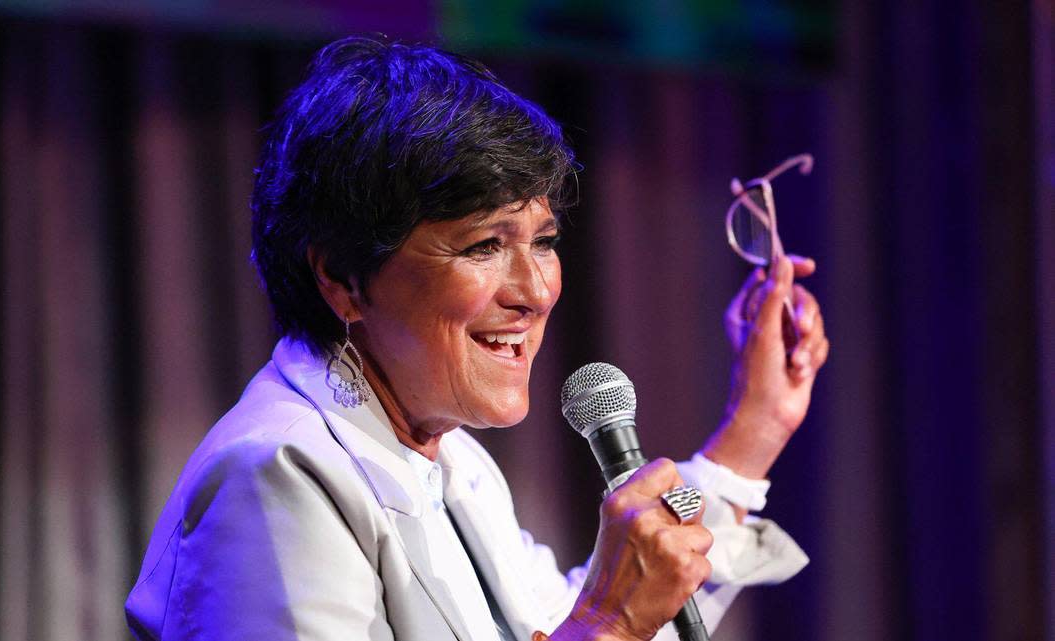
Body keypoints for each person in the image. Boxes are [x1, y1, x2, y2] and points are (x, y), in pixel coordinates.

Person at [125, 36, 829, 641]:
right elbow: (597, 626)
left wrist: (756, 425)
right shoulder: (276, 475)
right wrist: (611, 622)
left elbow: (561, 623)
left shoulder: (449, 461)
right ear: (342, 276)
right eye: (485, 245)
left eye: (544, 241)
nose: (535, 290)